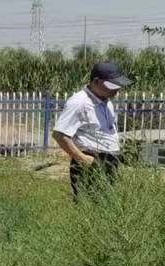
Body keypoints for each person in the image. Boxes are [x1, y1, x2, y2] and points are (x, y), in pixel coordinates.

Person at [53, 60, 131, 196]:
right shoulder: (79, 102)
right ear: (96, 81)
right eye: (112, 85)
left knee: (107, 203)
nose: (117, 90)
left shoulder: (107, 102)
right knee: (90, 203)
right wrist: (82, 159)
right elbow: (59, 134)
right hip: (90, 163)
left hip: (109, 161)